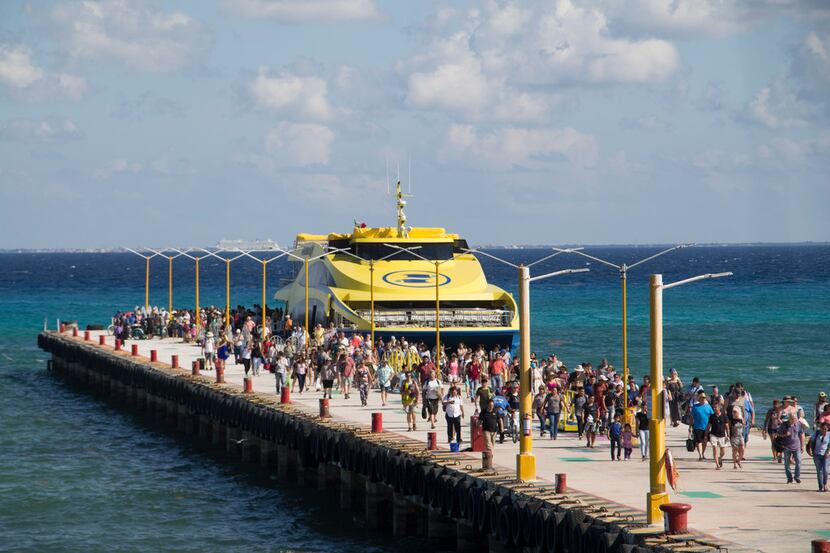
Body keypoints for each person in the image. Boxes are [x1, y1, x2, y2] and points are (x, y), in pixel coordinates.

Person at [777, 412, 804, 484]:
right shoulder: (784, 425)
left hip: (797, 446)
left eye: (795, 418)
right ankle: (789, 478)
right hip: (787, 446)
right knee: (786, 463)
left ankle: (797, 477)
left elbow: (801, 435)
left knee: (798, 462)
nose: (794, 420)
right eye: (792, 418)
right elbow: (778, 433)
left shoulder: (798, 424)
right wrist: (784, 435)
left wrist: (802, 446)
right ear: (789, 418)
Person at [706, 401, 729, 470]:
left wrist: (728, 435)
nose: (714, 408)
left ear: (719, 408)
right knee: (715, 448)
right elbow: (708, 426)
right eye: (714, 407)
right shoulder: (712, 416)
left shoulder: (724, 416)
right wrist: (706, 434)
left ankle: (720, 458)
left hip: (722, 435)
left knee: (723, 451)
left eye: (716, 407)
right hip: (713, 435)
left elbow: (727, 426)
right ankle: (717, 465)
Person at [691, 392, 714, 461]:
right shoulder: (695, 407)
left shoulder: (708, 406)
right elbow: (692, 417)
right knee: (699, 441)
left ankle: (703, 453)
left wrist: (713, 425)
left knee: (705, 441)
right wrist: (690, 427)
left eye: (704, 398)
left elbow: (712, 416)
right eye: (702, 398)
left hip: (706, 427)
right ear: (699, 399)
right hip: (697, 426)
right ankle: (700, 455)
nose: (703, 399)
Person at [810, 422, 829, 492]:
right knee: (819, 471)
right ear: (820, 428)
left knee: (826, 470)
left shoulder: (829, 434)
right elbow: (811, 442)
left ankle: (825, 484)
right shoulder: (816, 434)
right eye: (823, 429)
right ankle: (820, 487)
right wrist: (810, 450)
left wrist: (827, 452)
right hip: (817, 454)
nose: (825, 431)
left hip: (826, 455)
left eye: (826, 429)